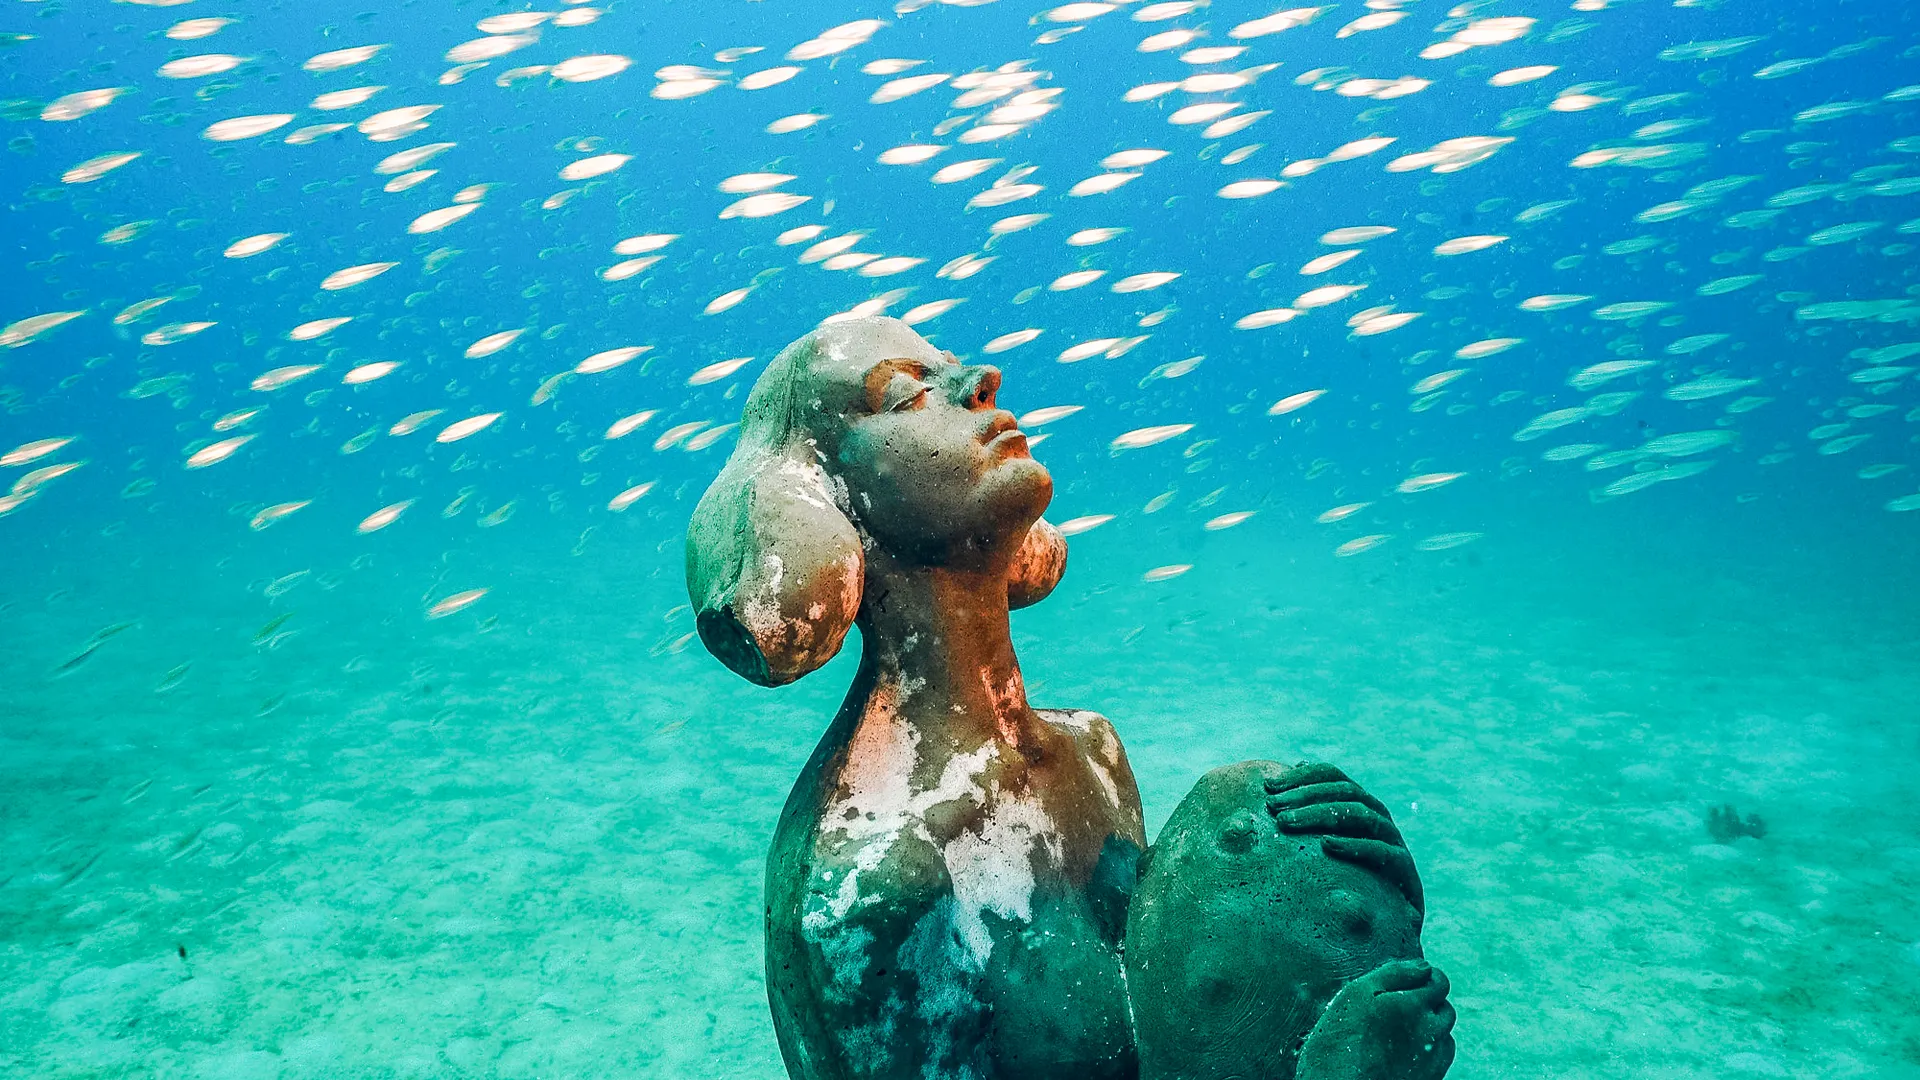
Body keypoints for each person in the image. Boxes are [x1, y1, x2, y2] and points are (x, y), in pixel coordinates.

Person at [686, 317, 1454, 1080]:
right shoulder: (875, 882)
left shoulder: (1095, 751)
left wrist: (1349, 919)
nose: (980, 380)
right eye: (904, 396)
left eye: (952, 366)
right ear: (822, 497)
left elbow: (1162, 1020)